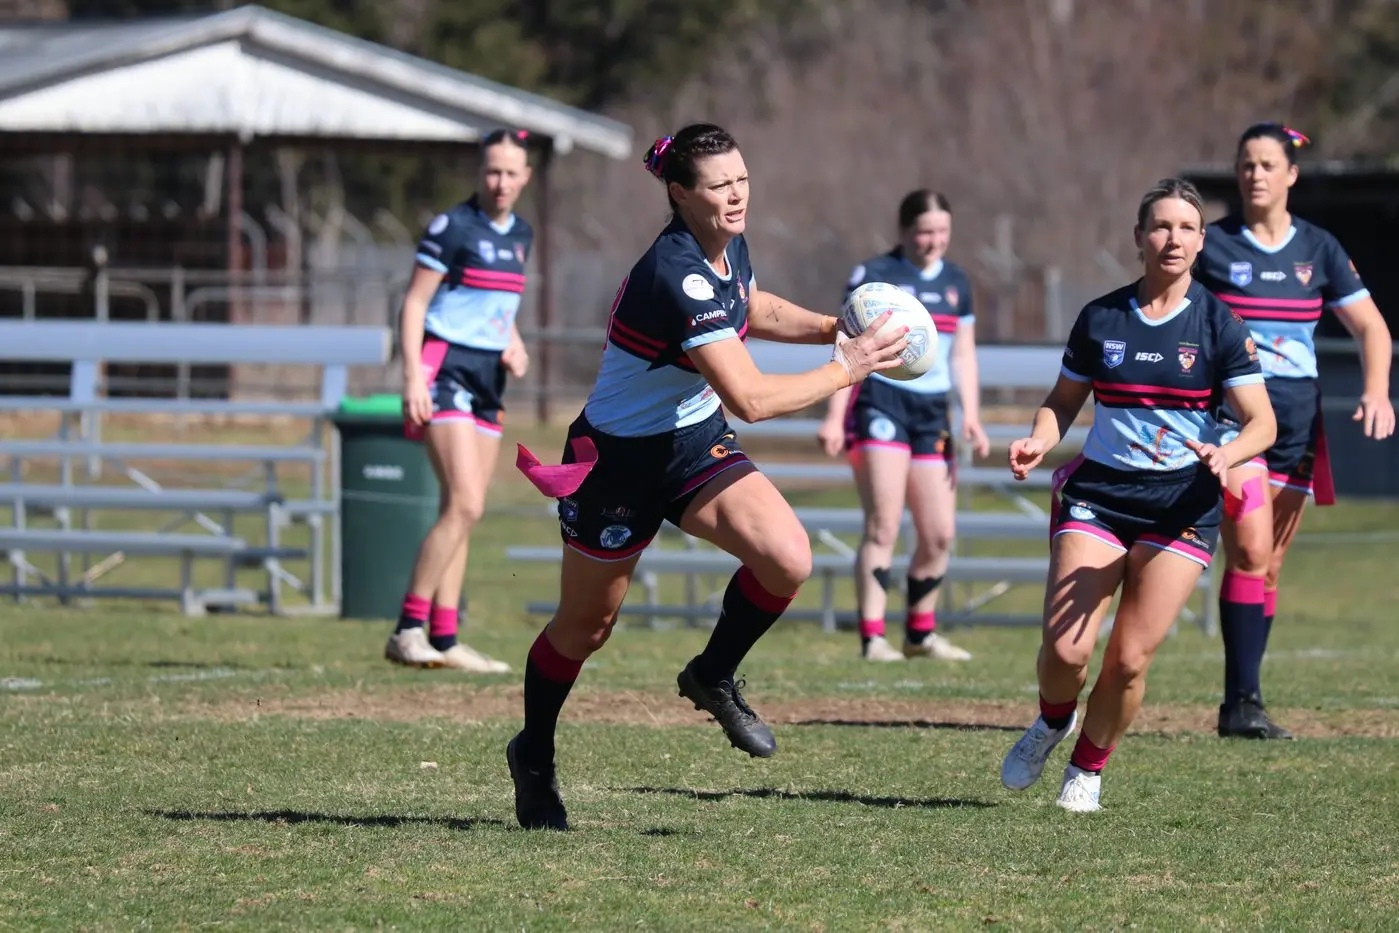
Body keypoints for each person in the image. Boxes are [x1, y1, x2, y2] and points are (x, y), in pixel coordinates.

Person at [505, 123, 911, 830]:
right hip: (617, 462)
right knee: (585, 627)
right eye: (720, 184)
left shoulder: (727, 247)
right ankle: (532, 753)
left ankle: (712, 673)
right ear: (679, 192)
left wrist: (829, 327)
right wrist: (849, 367)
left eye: (742, 180)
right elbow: (751, 399)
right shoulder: (673, 270)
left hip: (690, 444)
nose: (736, 194)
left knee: (787, 557)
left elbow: (747, 305)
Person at [998, 178, 1276, 812]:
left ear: (1201, 242)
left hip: (1181, 506)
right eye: (1160, 226)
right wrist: (1040, 439)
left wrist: (1227, 454)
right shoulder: (1102, 317)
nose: (1172, 238)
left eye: (1185, 227)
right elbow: (1061, 403)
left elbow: (1263, 422)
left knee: (1126, 661)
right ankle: (1050, 720)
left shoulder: (1222, 325)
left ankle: (1087, 770)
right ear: (1139, 238)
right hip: (1099, 495)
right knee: (1066, 650)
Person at [1195, 123, 1395, 740]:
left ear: (1291, 175)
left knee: (1270, 565)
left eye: (1266, 164)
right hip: (1237, 423)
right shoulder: (1213, 247)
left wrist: (1374, 390)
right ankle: (1241, 701)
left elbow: (1372, 328)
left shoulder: (1319, 249)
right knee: (1250, 550)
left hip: (1300, 427)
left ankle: (1243, 703)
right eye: (1246, 163)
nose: (1255, 173)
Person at [384, 128, 535, 674]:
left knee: (465, 511)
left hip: (489, 377)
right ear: (480, 174)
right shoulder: (452, 227)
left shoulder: (522, 233)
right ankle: (408, 629)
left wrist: (513, 343)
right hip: (444, 368)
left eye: (510, 173)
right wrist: (412, 378)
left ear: (525, 177)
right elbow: (415, 303)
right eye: (491, 171)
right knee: (465, 502)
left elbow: (496, 304)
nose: (500, 182)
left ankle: (444, 639)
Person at [818, 190, 991, 662]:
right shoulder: (874, 278)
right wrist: (835, 416)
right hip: (881, 403)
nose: (934, 241)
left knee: (938, 533)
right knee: (884, 525)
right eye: (924, 231)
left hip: (934, 413)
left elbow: (964, 353)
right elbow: (844, 346)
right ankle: (873, 637)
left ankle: (920, 634)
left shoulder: (958, 281)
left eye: (942, 232)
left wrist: (971, 414)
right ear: (904, 231)